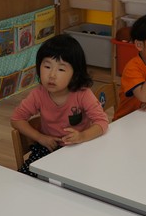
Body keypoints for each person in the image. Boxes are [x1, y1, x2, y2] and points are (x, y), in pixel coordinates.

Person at [10, 34, 109, 176]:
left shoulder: (82, 94)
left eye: (61, 69)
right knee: (24, 178)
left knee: (85, 179)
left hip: (79, 148)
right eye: (47, 66)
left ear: (75, 74)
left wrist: (82, 136)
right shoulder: (38, 94)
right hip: (48, 149)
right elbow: (16, 119)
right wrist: (39, 137)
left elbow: (102, 121)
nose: (52, 75)